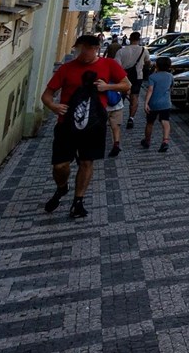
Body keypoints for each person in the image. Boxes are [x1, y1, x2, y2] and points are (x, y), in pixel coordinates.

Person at [40, 33, 130, 218]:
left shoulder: (108, 65)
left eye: (86, 50)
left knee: (87, 162)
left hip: (94, 125)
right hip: (66, 124)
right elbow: (47, 95)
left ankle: (78, 201)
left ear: (96, 49)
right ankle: (62, 187)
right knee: (60, 165)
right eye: (79, 49)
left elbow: (126, 85)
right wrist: (53, 106)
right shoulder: (67, 68)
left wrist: (107, 87)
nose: (82, 53)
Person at [113, 31, 151, 129]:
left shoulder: (121, 51)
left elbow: (116, 65)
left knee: (120, 97)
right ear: (139, 39)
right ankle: (131, 118)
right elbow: (148, 62)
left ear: (129, 39)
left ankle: (118, 118)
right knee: (134, 97)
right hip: (137, 77)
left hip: (123, 77)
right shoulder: (144, 50)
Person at [139, 55, 175, 153]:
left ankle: (147, 140)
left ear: (157, 66)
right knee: (165, 121)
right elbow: (171, 88)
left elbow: (150, 90)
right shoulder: (170, 76)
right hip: (166, 103)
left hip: (153, 104)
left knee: (150, 123)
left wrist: (146, 103)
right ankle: (165, 141)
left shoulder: (152, 77)